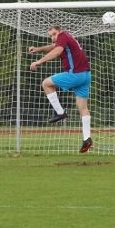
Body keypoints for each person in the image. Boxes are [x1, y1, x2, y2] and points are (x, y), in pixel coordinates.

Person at [28, 25, 92, 153]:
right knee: (83, 107)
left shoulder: (63, 35)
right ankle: (87, 138)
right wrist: (38, 49)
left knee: (46, 84)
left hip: (74, 74)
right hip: (86, 75)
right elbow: (53, 47)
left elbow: (56, 51)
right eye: (50, 35)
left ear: (60, 31)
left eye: (54, 34)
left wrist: (39, 62)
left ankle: (60, 112)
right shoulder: (67, 37)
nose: (53, 37)